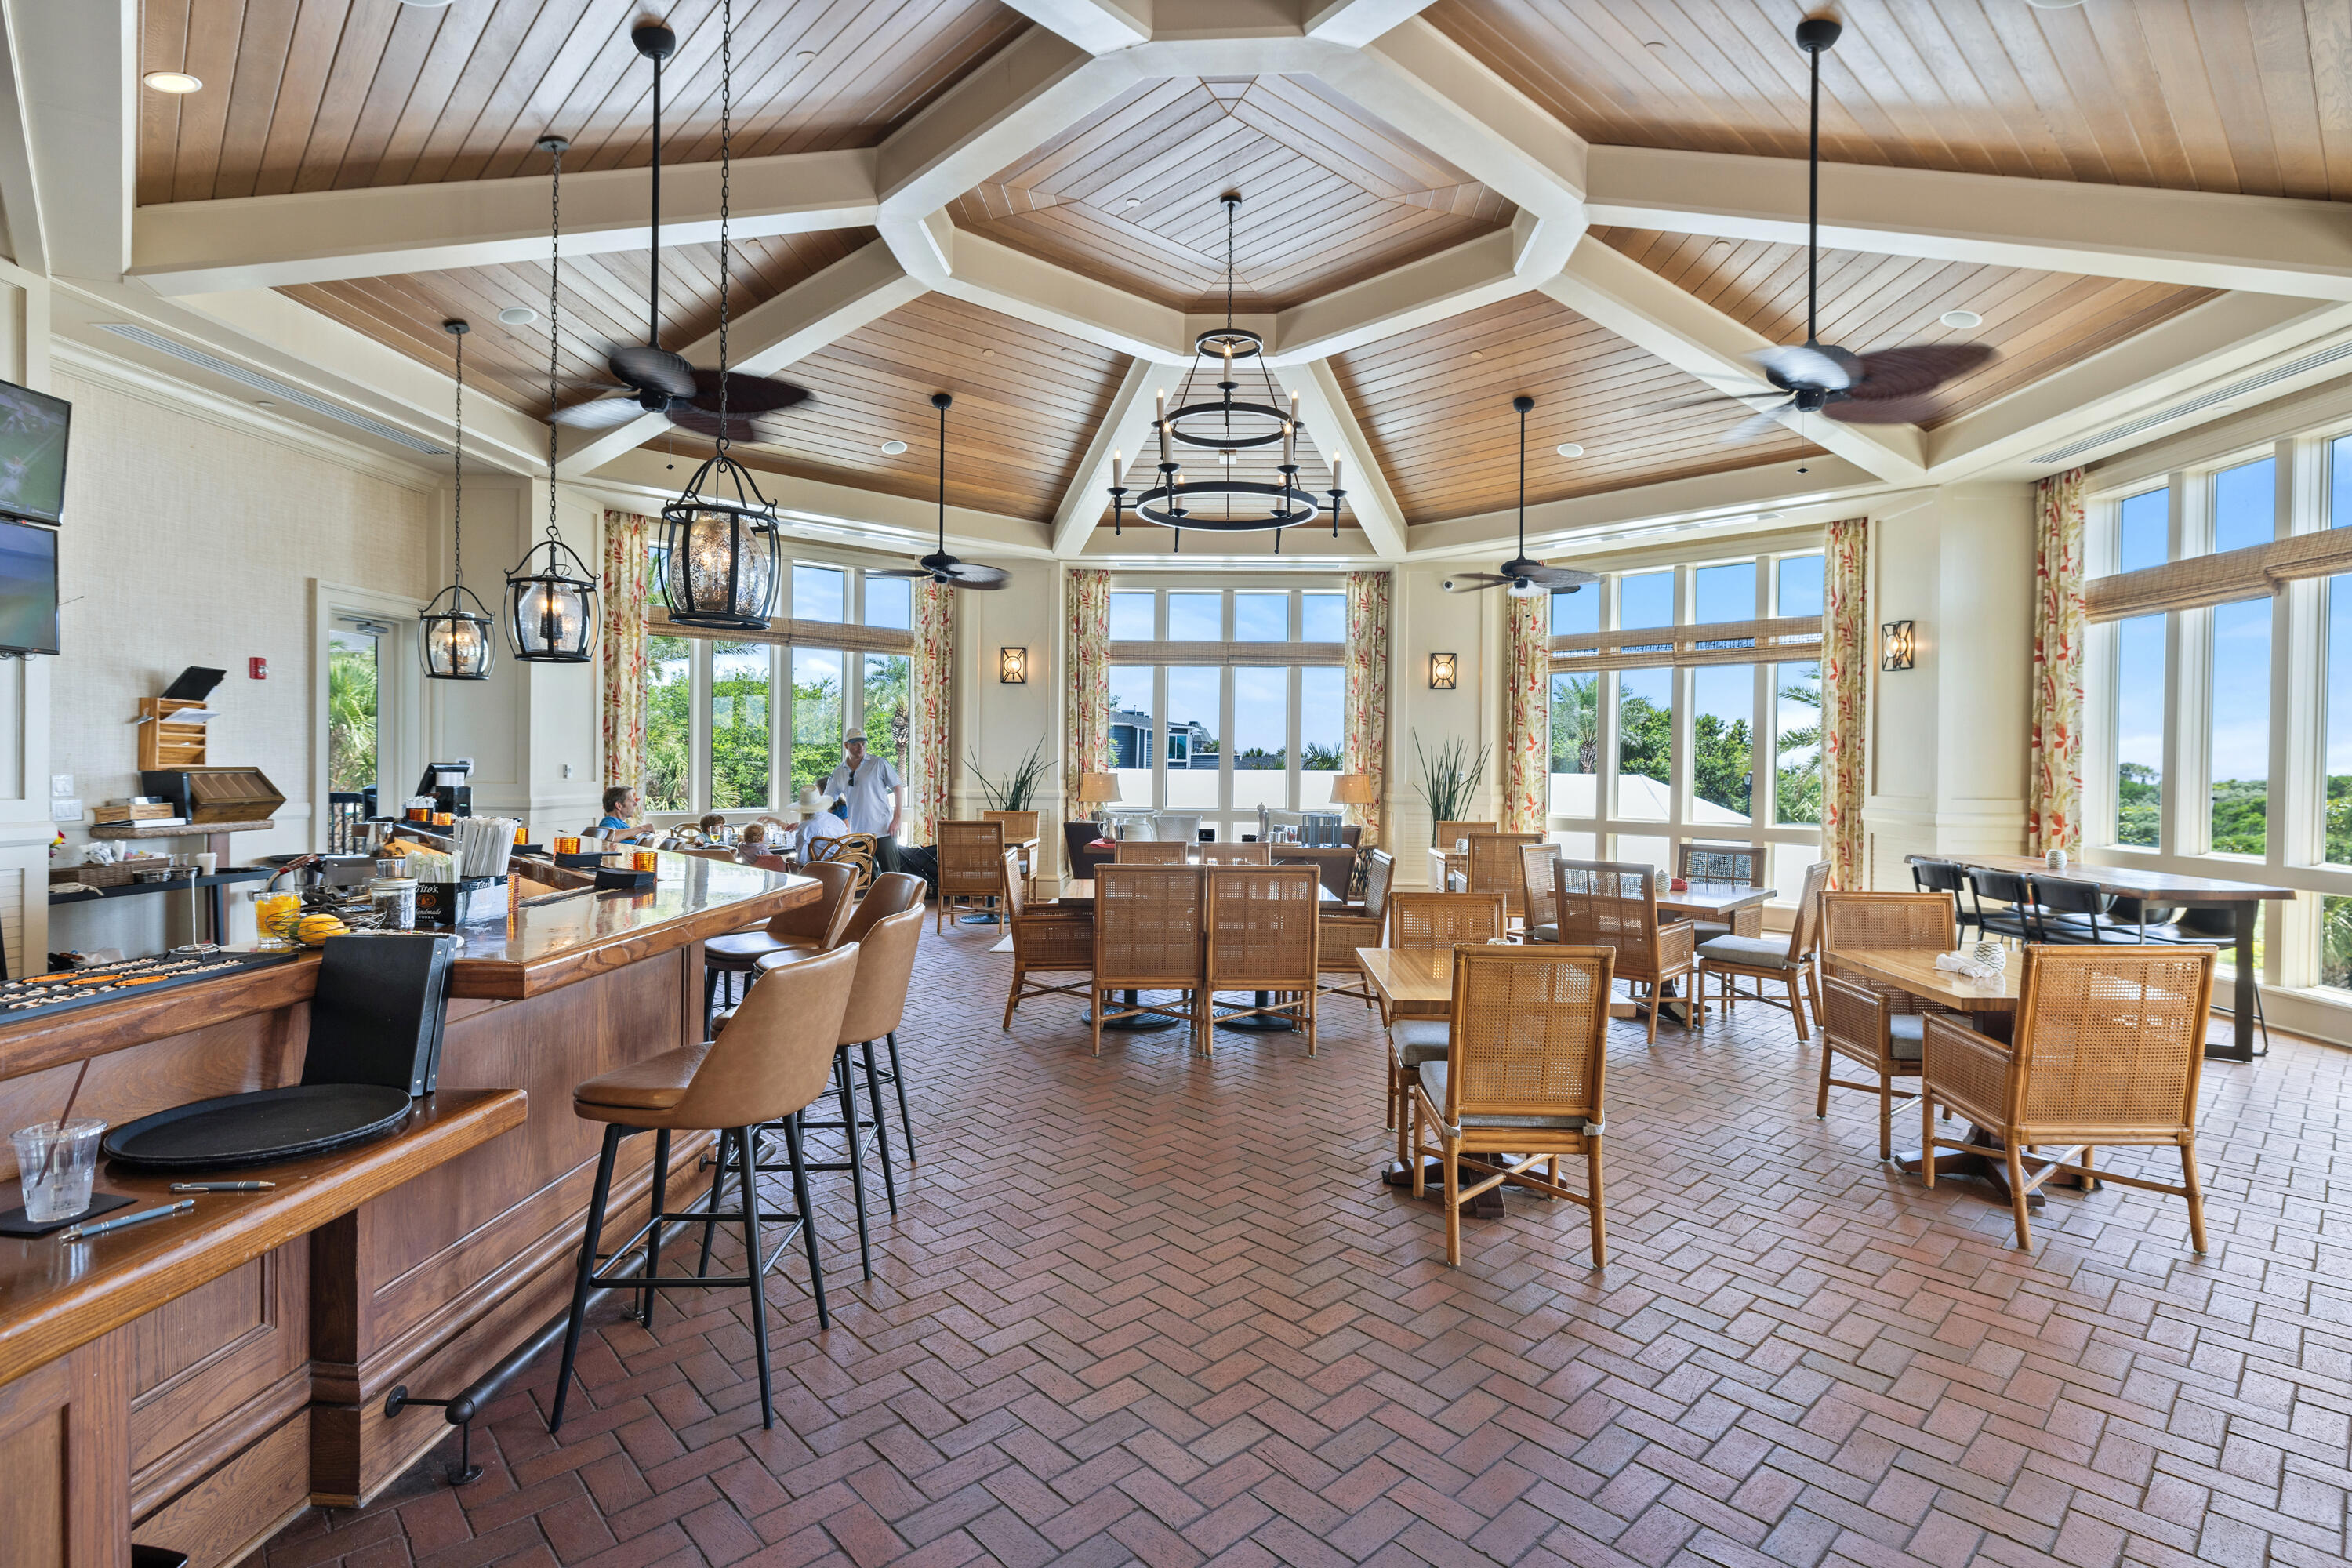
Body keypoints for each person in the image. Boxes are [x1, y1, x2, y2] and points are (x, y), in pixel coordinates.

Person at [818, 729, 902, 871]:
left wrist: (897, 818)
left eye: (863, 744)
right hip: (858, 835)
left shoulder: (879, 764)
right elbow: (826, 800)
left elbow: (898, 789)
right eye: (856, 744)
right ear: (846, 745)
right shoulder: (839, 772)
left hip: (884, 830)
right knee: (864, 880)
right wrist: (806, 817)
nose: (861, 747)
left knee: (892, 876)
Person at [593, 786, 659, 845]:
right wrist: (642, 828)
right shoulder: (608, 821)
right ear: (619, 805)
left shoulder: (624, 826)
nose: (635, 804)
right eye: (631, 801)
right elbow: (609, 837)